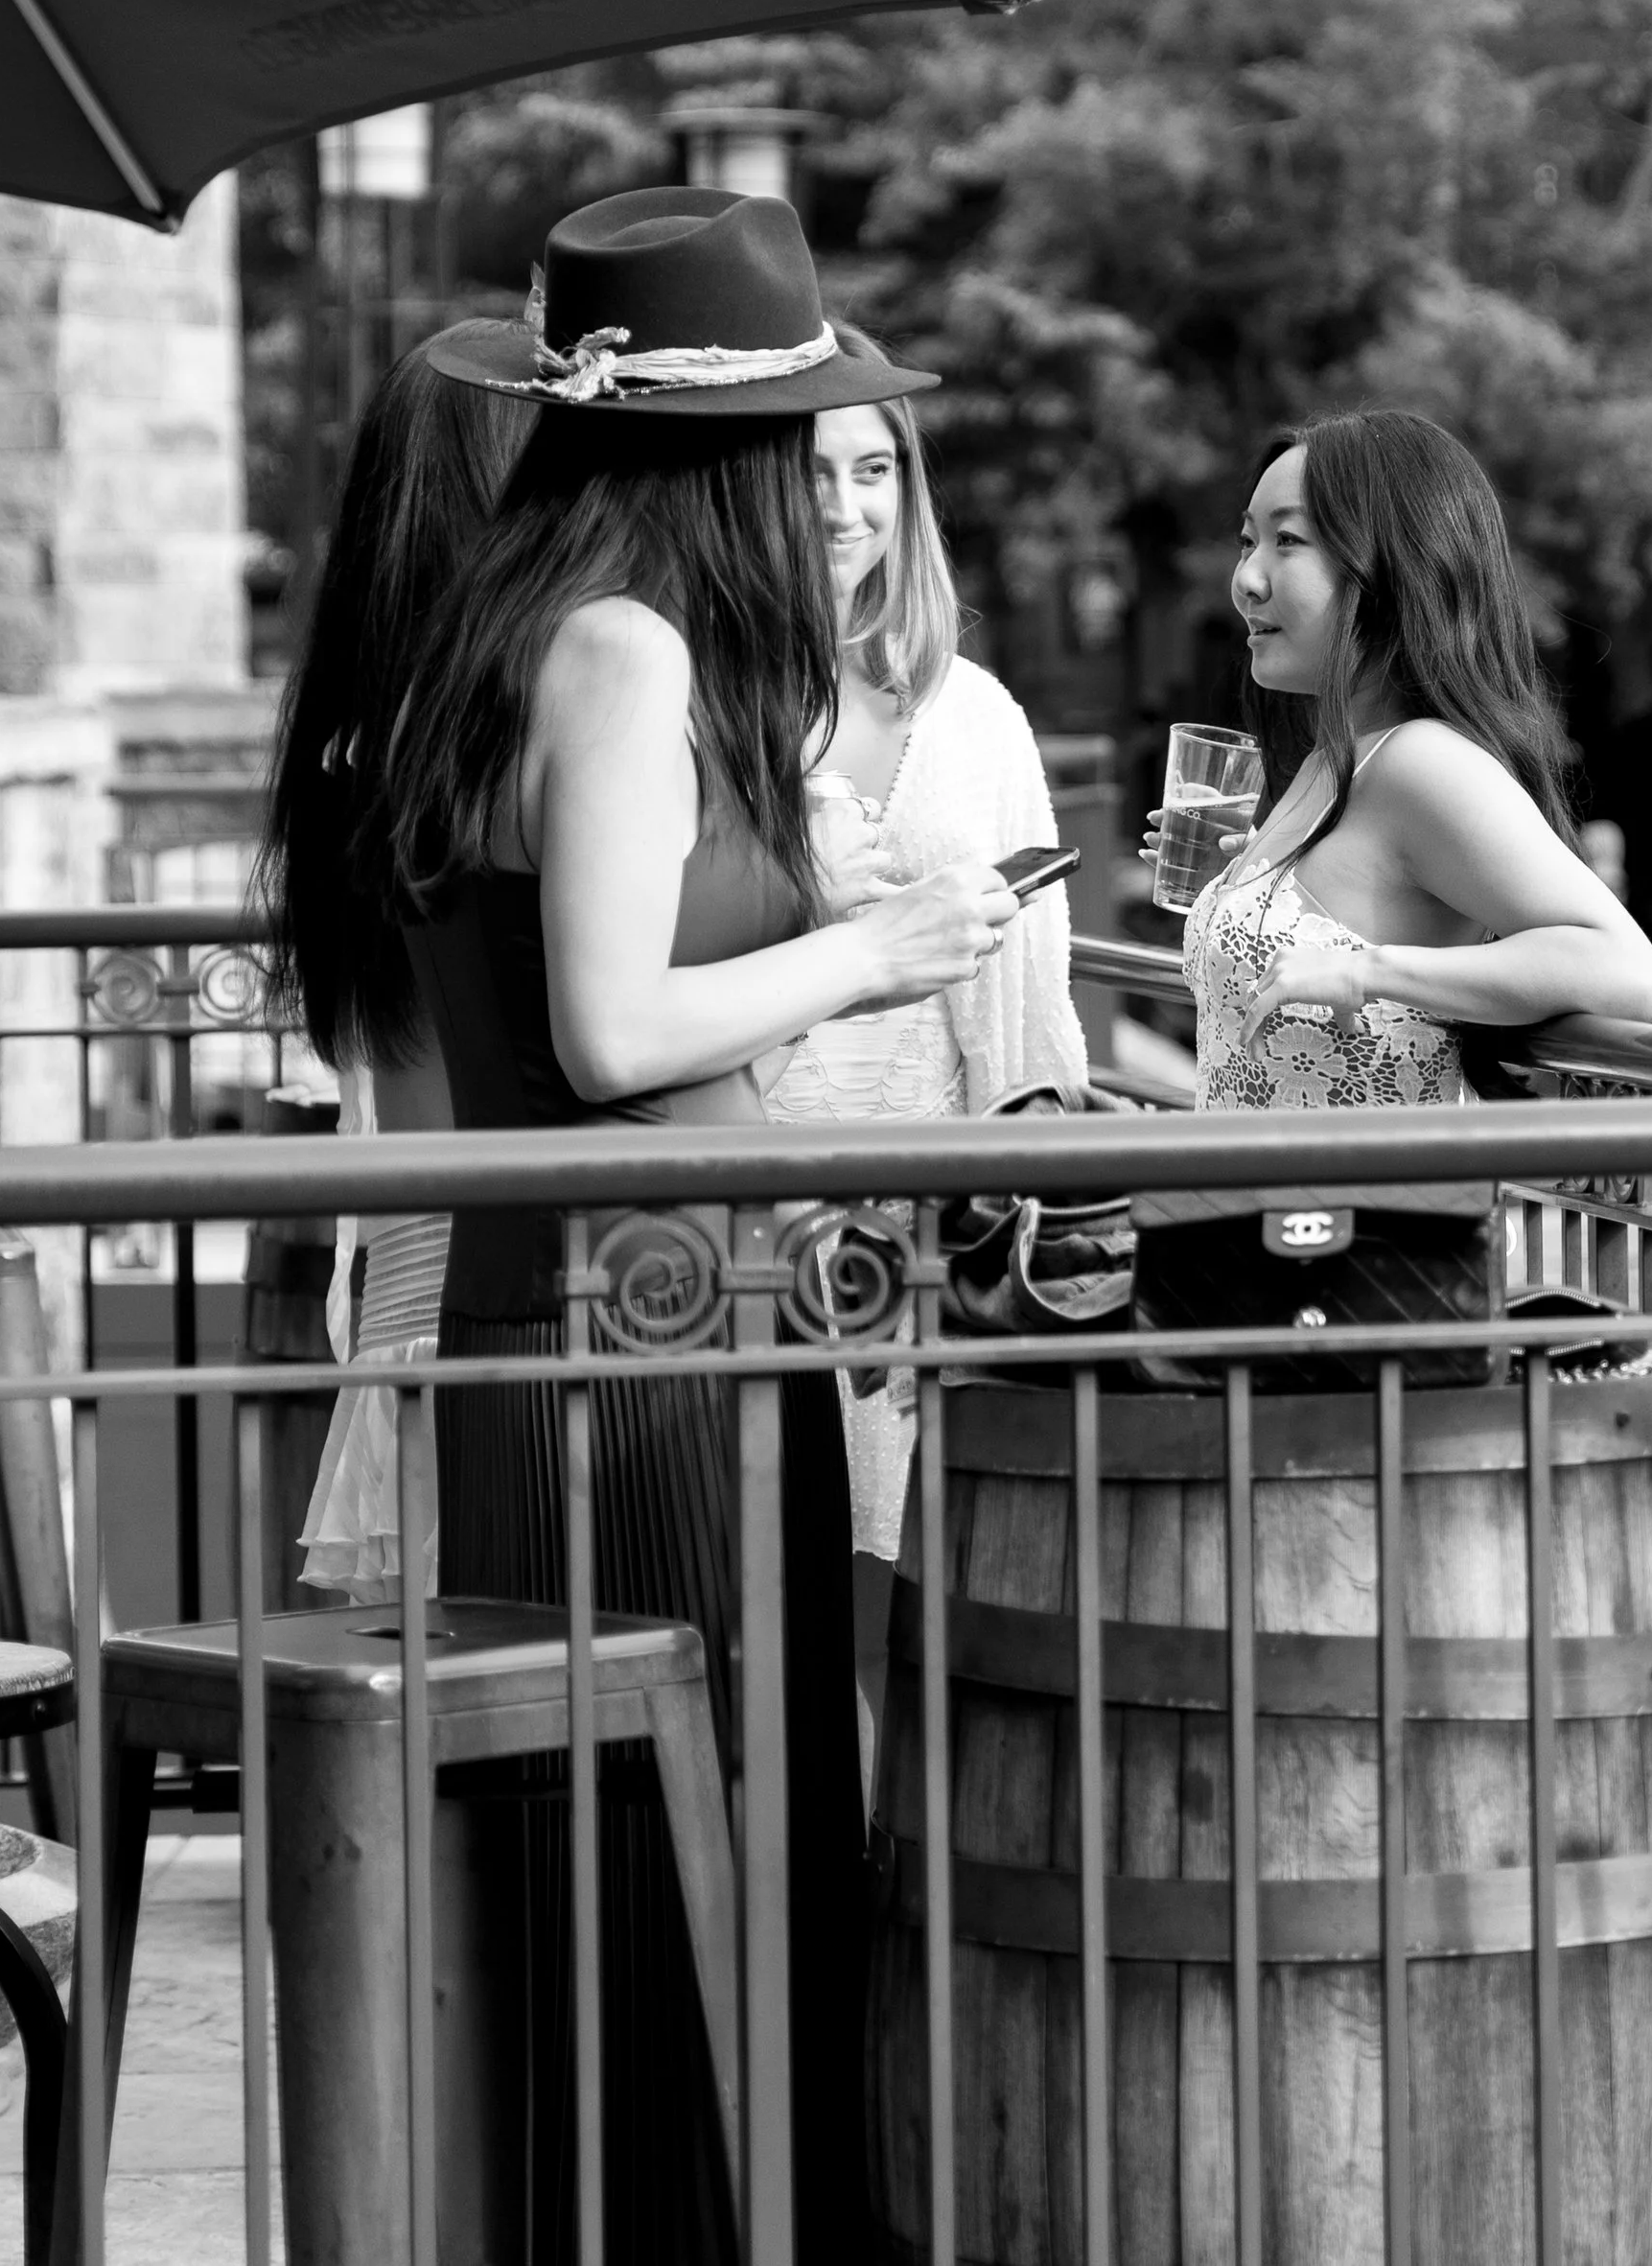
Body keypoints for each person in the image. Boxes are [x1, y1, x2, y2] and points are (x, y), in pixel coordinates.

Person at [375, 186, 1015, 2265]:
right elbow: (612, 1023)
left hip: (585, 1318)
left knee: (629, 1868)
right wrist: (879, 949)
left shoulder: (512, 622)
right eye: (797, 430)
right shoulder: (624, 646)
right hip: (648, 1338)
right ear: (723, 452)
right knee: (697, 1858)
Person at [764, 330, 1089, 1754]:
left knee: (921, 1623)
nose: (845, 506)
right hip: (751, 1222)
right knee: (776, 1626)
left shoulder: (982, 716)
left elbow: (1031, 1002)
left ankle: (900, 1938)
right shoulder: (708, 703)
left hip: (932, 1232)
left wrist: (1021, 1220)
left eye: (874, 469)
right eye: (812, 472)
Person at [253, 325, 525, 1602]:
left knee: (439, 1704)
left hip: (406, 1274)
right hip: (500, 1285)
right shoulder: (497, 738)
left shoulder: (353, 732)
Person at [1176, 411, 1652, 1105]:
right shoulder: (1334, 759)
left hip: (1360, 1213)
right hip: (1248, 1207)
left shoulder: (1422, 762)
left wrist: (1369, 971)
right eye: (1247, 540)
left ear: (1389, 567)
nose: (1246, 579)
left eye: (1288, 540)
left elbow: (1631, 971)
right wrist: (1247, 884)